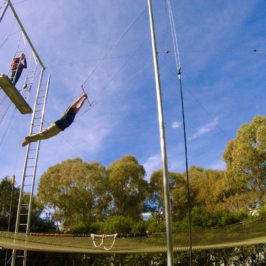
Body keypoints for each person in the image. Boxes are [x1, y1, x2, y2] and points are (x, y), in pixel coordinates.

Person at [22, 93, 88, 147]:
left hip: (59, 130)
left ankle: (29, 140)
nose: (77, 109)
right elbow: (76, 102)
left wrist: (84, 99)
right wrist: (82, 96)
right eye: (76, 108)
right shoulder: (70, 110)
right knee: (43, 134)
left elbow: (80, 106)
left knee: (45, 137)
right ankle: (28, 138)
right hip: (56, 125)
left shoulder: (74, 114)